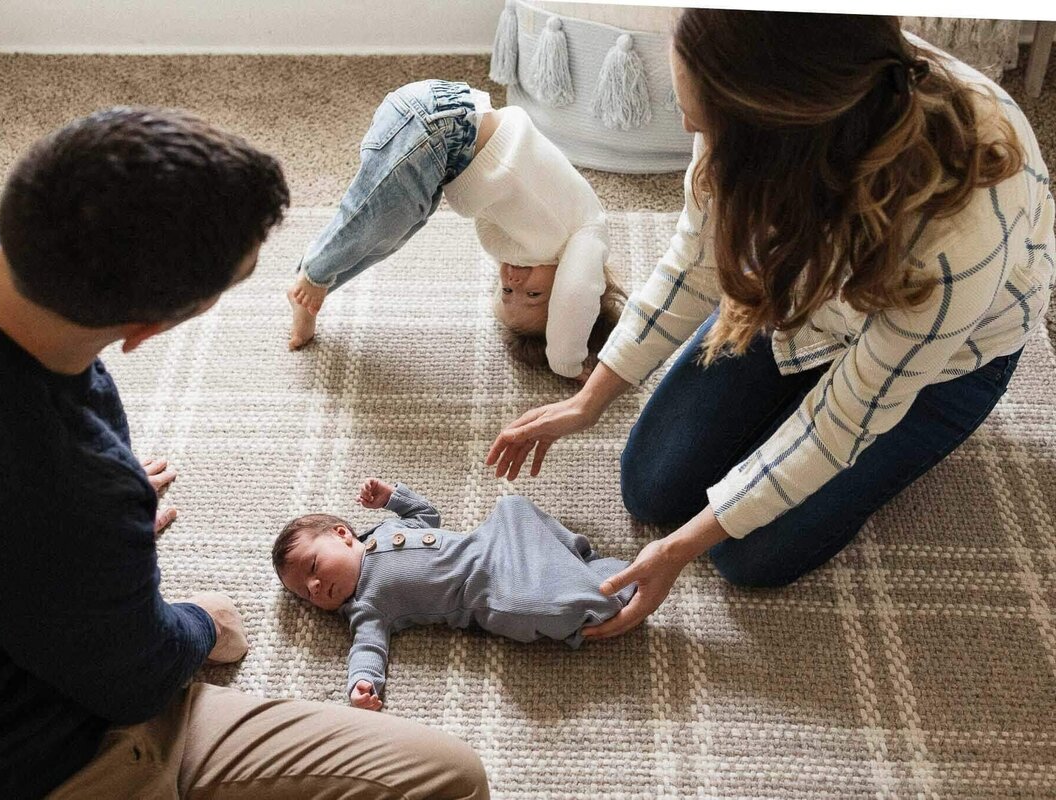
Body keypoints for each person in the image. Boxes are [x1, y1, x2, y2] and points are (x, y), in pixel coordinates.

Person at [0, 107, 488, 800]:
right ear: (149, 328)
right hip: (15, 762)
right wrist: (197, 619)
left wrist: (84, 541)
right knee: (448, 777)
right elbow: (134, 681)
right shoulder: (66, 492)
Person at [486, 12, 1054, 639]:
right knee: (652, 490)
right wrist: (590, 400)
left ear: (778, 135)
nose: (687, 128)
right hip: (803, 299)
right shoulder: (741, 96)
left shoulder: (957, 233)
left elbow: (842, 423)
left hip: (943, 364)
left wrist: (676, 554)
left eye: (699, 120)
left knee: (747, 556)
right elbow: (695, 263)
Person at [287, 79, 625, 381]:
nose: (513, 282)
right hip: (441, 128)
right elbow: (575, 297)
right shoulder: (586, 234)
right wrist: (567, 361)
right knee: (371, 217)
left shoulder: (534, 242)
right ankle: (316, 274)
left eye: (506, 292)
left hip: (439, 144)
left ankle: (316, 293)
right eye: (533, 295)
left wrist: (516, 303)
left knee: (388, 238)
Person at [273, 479, 637, 710]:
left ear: (342, 534)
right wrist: (362, 683)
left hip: (490, 541)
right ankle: (604, 593)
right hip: (486, 590)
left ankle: (579, 559)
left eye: (314, 567)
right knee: (527, 606)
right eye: (306, 594)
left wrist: (393, 498)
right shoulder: (367, 605)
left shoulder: (385, 530)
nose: (316, 587)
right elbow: (368, 647)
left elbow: (427, 516)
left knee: (513, 508)